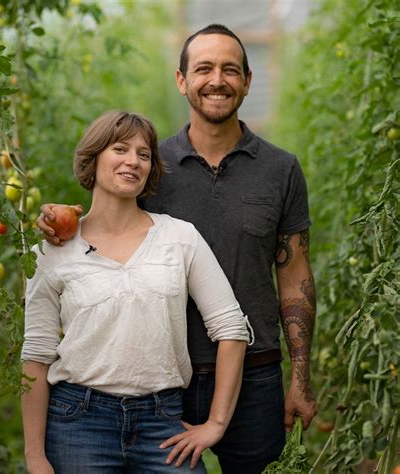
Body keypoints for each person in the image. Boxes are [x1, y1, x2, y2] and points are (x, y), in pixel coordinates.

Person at [38, 24, 317, 473]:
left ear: (247, 81)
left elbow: (295, 272)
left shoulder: (281, 169)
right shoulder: (151, 167)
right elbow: (105, 217)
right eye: (203, 68)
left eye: (230, 69)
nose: (217, 80)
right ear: (182, 80)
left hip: (255, 371)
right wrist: (57, 217)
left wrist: (301, 378)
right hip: (162, 382)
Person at [22, 110, 253, 474]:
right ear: (93, 157)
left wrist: (215, 424)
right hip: (78, 423)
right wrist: (35, 457)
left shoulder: (179, 238)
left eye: (144, 155)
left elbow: (231, 329)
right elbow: (35, 357)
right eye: (120, 149)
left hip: (161, 423)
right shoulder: (51, 252)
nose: (133, 161)